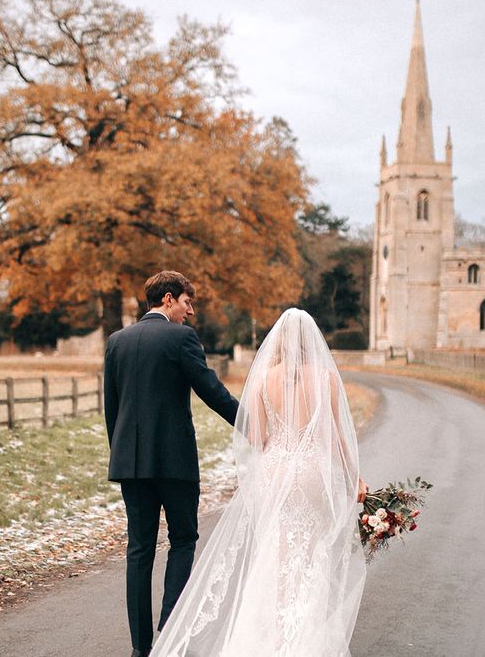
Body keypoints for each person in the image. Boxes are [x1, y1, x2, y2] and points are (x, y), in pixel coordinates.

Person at [151, 308, 368, 656]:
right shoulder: (325, 378)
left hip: (276, 470)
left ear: (278, 341)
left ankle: (273, 634)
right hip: (313, 471)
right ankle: (305, 637)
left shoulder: (265, 377)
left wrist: (279, 446)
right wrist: (354, 475)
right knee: (312, 553)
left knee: (276, 553)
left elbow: (256, 435)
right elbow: (336, 437)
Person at [103, 270, 240, 657]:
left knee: (139, 549)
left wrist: (123, 454)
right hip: (176, 463)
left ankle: (139, 649)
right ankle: (170, 629)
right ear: (167, 299)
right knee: (183, 540)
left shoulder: (117, 341)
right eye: (186, 302)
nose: (190, 311)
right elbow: (212, 391)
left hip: (131, 463)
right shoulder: (181, 338)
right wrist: (252, 424)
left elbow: (111, 409)